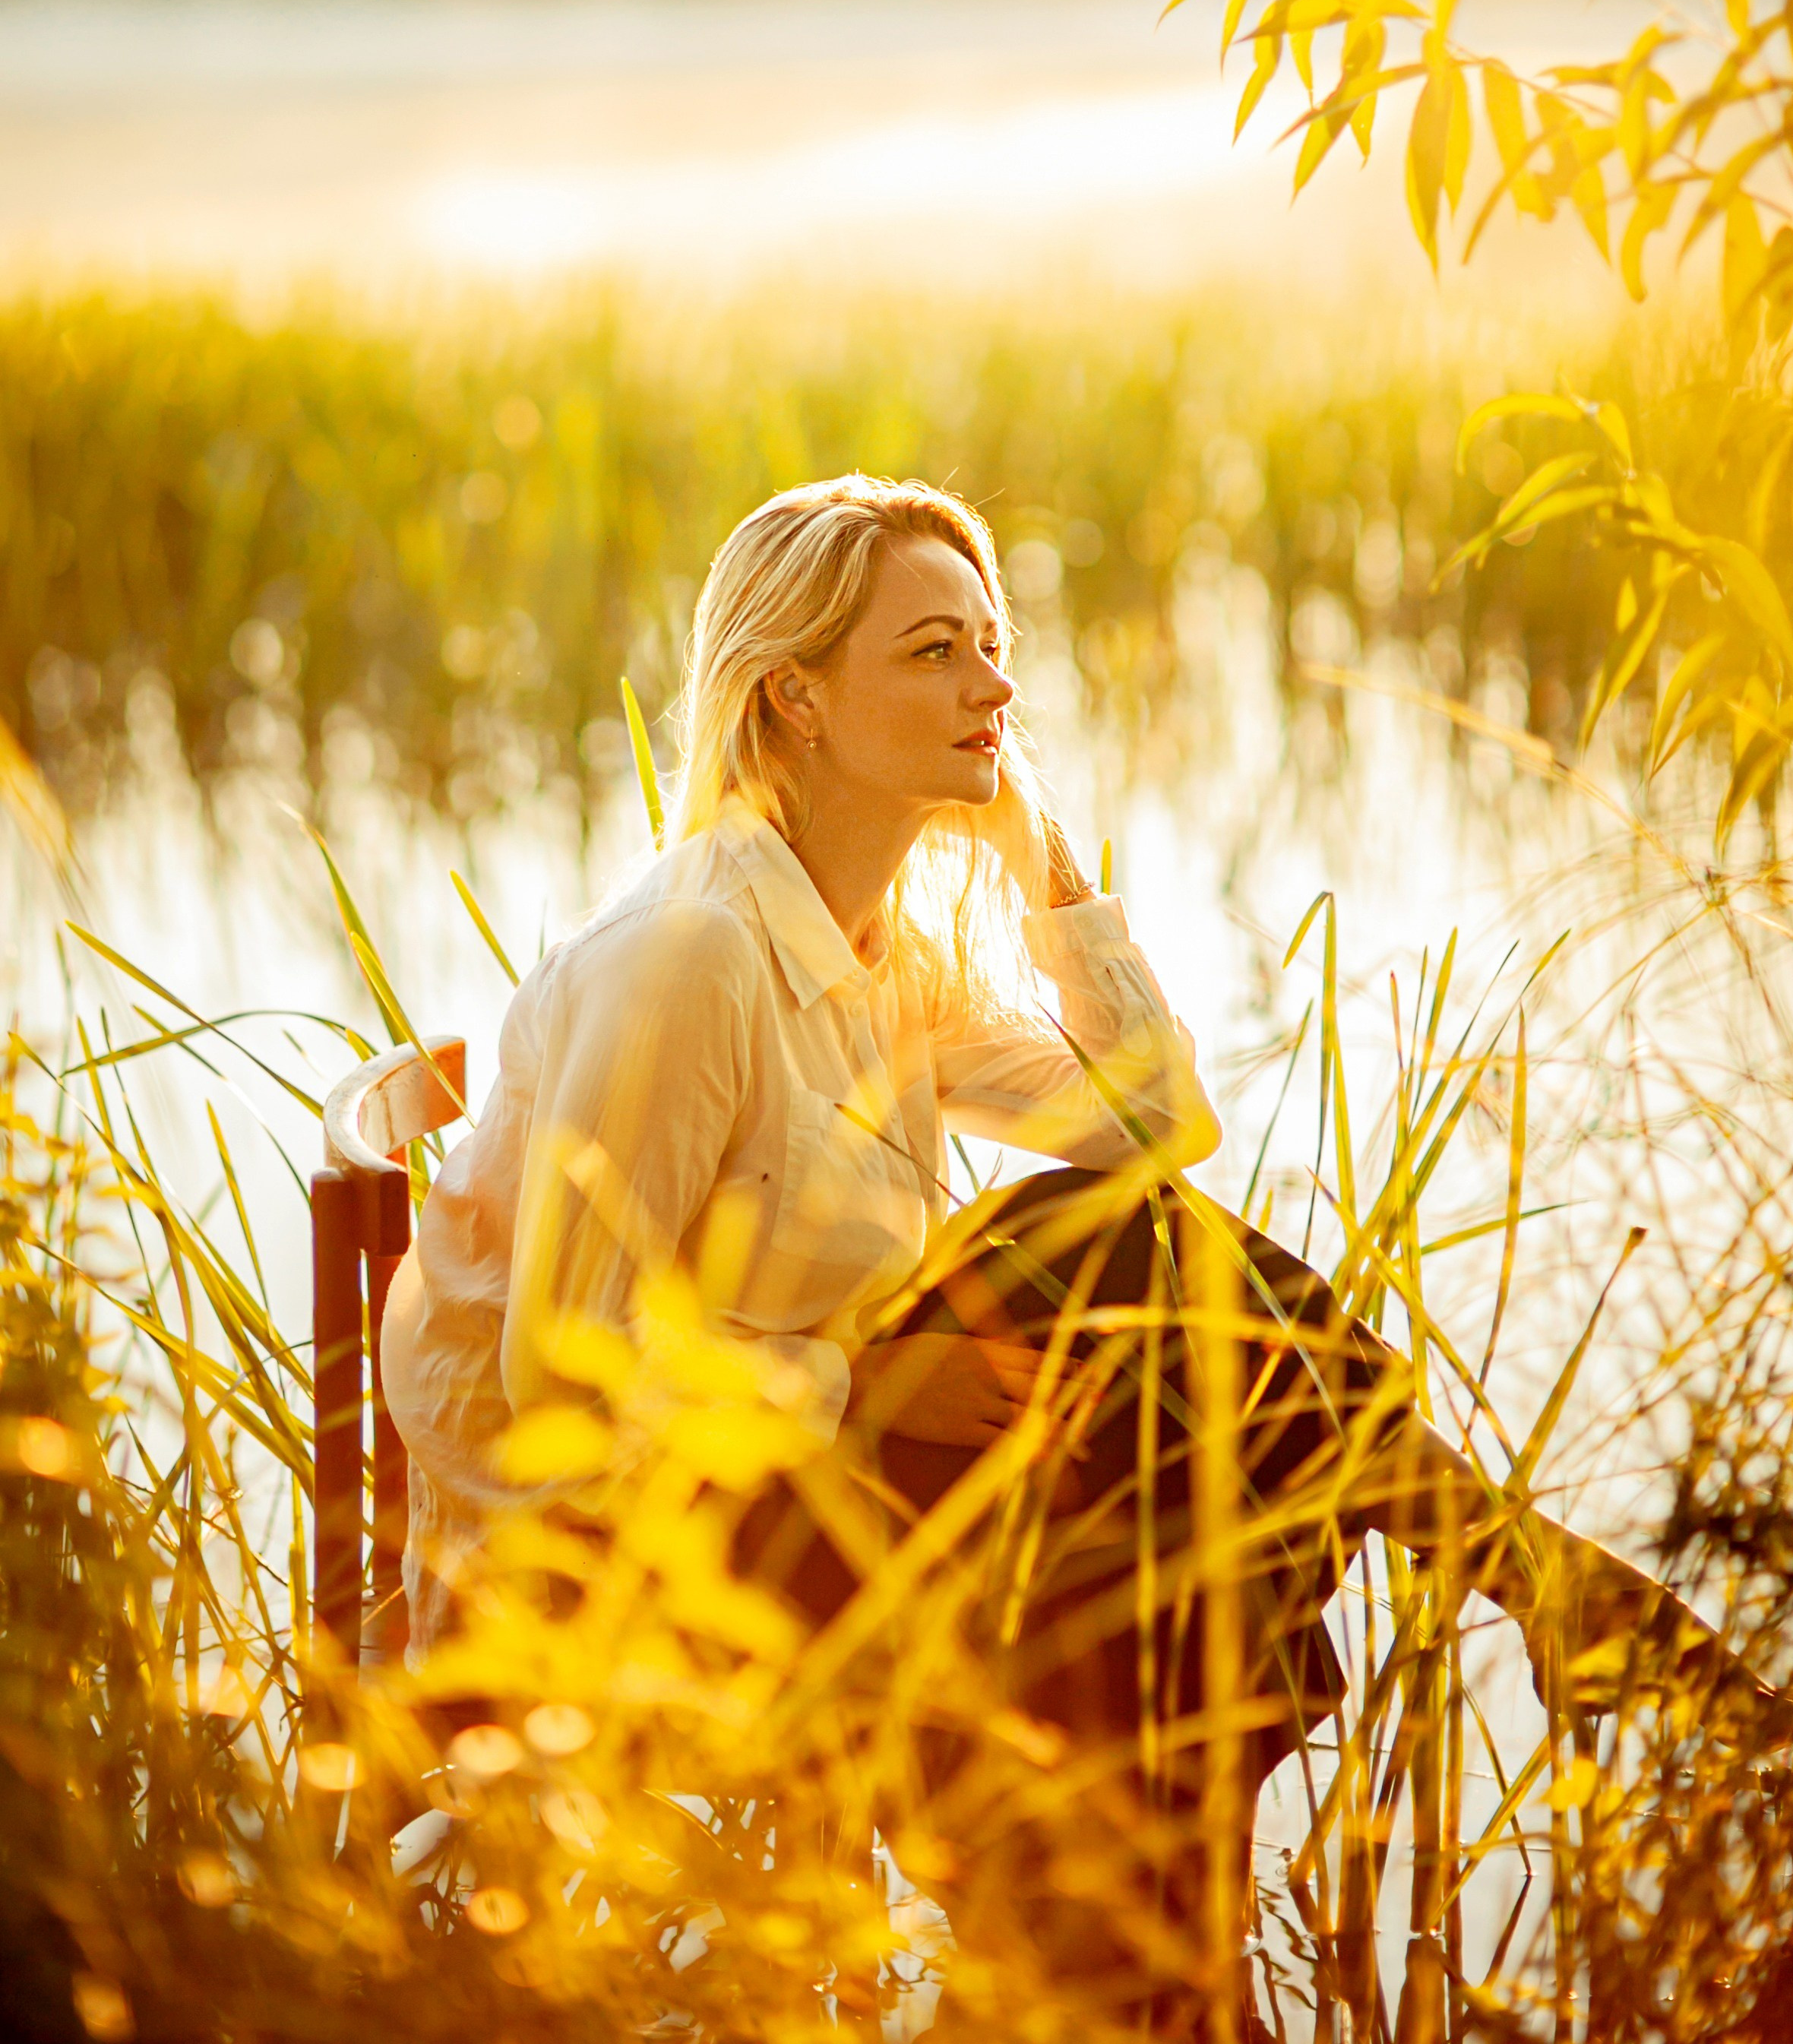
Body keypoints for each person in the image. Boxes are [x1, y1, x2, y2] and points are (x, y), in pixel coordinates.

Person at [381, 473, 1722, 2030]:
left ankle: (1137, 1935)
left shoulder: (890, 949)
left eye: (993, 643)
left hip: (814, 1458)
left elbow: (1155, 1122)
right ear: (792, 700)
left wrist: (1044, 867)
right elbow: (563, 1360)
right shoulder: (690, 959)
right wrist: (859, 1387)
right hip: (622, 1531)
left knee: (1135, 1262)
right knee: (1091, 1278)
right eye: (935, 650)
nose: (995, 685)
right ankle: (1456, 1604)